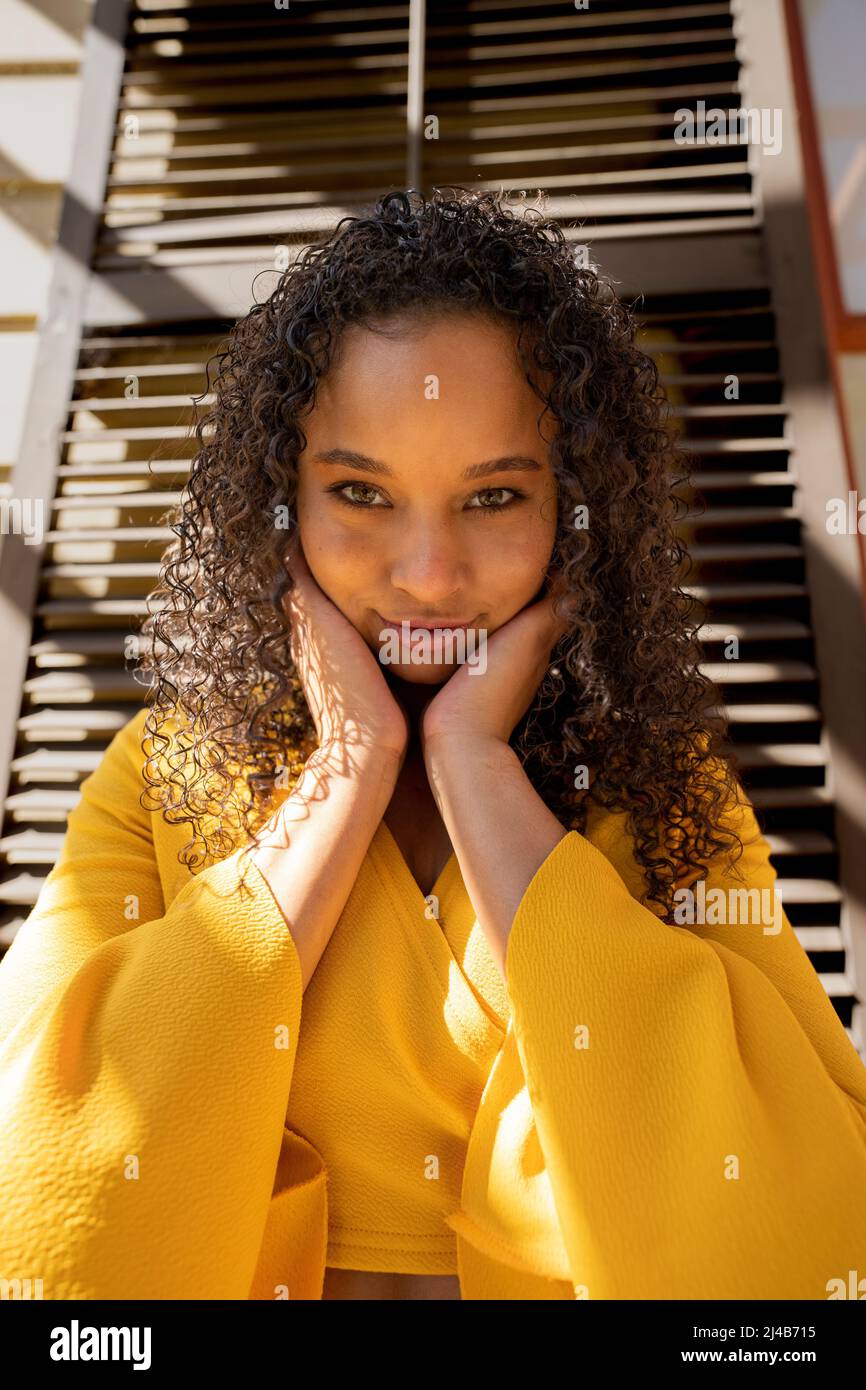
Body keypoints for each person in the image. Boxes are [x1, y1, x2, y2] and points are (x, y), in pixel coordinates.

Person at [1, 188, 866, 1302]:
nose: (425, 575)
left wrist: (473, 764)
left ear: (576, 511)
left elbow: (809, 1241)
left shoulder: (660, 788)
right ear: (279, 502)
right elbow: (39, 1214)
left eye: (493, 495)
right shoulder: (162, 775)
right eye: (358, 490)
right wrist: (348, 765)